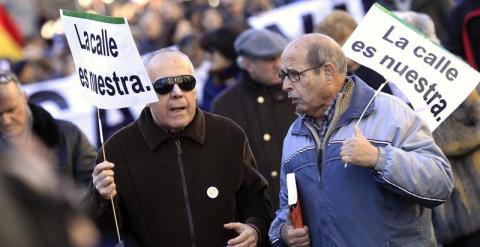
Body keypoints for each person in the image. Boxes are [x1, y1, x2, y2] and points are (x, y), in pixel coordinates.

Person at [268, 33, 454, 246]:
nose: (285, 86)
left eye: (294, 75)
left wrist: (379, 158)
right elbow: (286, 207)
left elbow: (440, 182)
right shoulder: (293, 135)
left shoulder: (392, 113)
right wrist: (284, 232)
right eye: (283, 76)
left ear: (328, 71)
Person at [86, 49, 272, 247]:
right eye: (164, 86)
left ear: (195, 89)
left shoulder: (228, 134)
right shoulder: (116, 151)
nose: (177, 92)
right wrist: (101, 200)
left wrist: (254, 229)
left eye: (186, 83)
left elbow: (256, 201)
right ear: (146, 94)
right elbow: (100, 234)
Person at [212, 28, 296, 209]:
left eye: (279, 57)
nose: (277, 65)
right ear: (247, 63)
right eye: (268, 59)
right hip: (259, 210)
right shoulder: (225, 105)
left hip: (303, 201)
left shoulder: (297, 92)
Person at [0, 71, 96, 189]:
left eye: (11, 110)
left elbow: (93, 185)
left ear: (24, 98)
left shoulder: (68, 134)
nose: (6, 120)